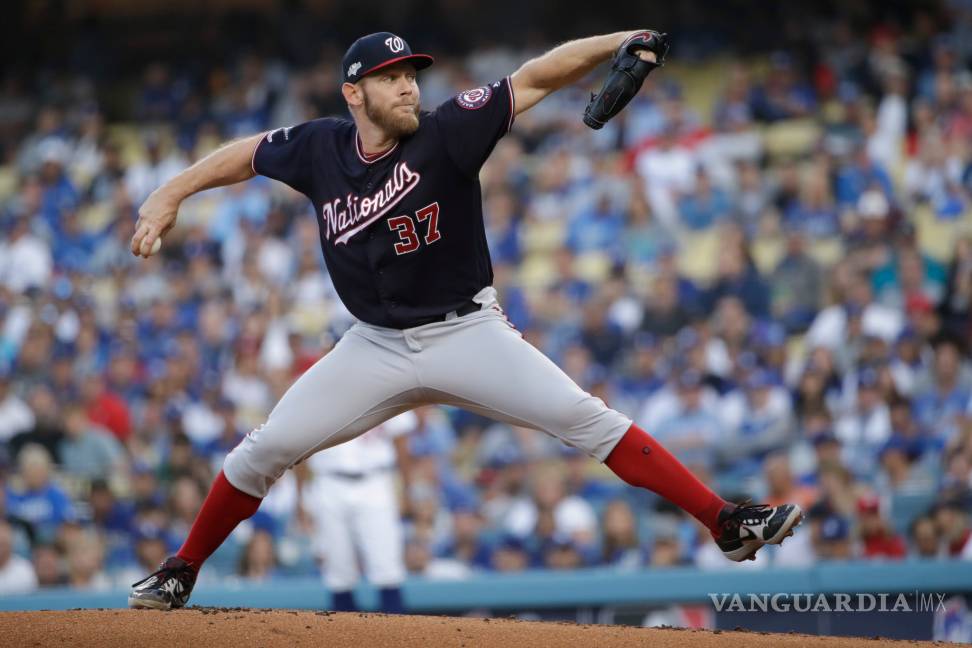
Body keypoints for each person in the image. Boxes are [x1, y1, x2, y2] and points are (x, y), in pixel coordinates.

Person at [128, 30, 802, 610]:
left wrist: (619, 40)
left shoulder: (448, 131)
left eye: (410, 75)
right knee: (262, 450)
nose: (407, 87)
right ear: (353, 93)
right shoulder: (319, 148)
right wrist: (170, 191)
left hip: (466, 332)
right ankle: (181, 570)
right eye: (389, 78)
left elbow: (536, 77)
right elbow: (248, 153)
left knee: (587, 418)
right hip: (374, 345)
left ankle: (724, 520)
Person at [305, 411, 416, 613]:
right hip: (328, 482)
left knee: (386, 564)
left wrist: (408, 489)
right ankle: (343, 631)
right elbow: (301, 445)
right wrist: (300, 496)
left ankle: (396, 630)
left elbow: (401, 440)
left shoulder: (384, 390)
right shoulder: (314, 393)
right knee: (338, 568)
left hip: (375, 481)